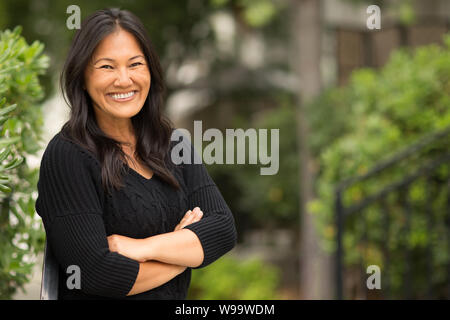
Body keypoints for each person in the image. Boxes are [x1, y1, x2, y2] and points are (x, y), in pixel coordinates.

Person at [35, 8, 237, 300]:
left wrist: (143, 248)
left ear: (150, 72)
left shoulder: (173, 145)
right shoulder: (68, 155)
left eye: (135, 64)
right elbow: (94, 273)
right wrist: (183, 252)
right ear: (82, 77)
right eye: (107, 67)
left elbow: (222, 229)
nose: (124, 79)